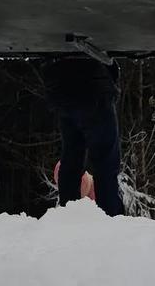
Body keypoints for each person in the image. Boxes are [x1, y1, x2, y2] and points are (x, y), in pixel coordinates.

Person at [42, 51, 124, 216]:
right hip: (95, 85)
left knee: (71, 156)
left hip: (63, 86)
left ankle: (69, 213)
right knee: (105, 160)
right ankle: (111, 218)